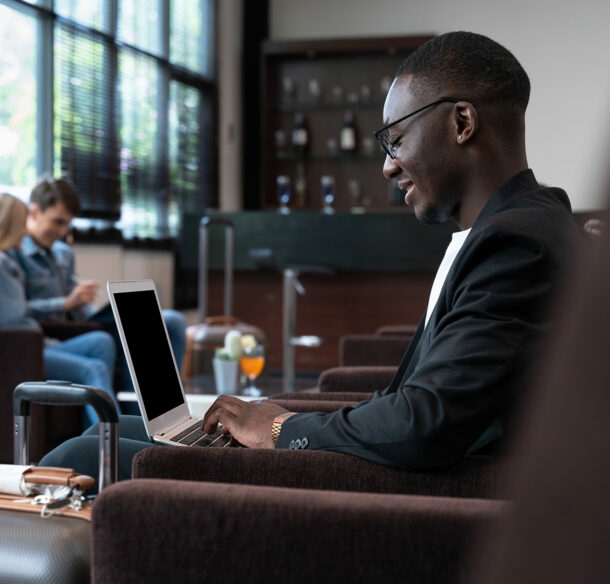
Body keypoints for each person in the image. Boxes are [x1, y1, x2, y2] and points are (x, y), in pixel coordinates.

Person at [39, 31, 582, 483]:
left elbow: (425, 425)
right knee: (104, 432)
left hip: (391, 497)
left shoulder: (515, 245)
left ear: (462, 123)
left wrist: (278, 431)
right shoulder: (512, 229)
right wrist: (285, 419)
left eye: (396, 139)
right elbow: (427, 401)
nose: (388, 168)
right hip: (392, 471)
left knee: (82, 457)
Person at [12, 176, 187, 395]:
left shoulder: (63, 254)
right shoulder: (15, 253)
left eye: (68, 223)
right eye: (57, 221)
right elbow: (18, 312)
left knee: (173, 321)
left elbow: (77, 307)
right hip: (57, 334)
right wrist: (66, 303)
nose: (63, 231)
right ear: (35, 212)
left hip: (82, 324)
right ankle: (133, 417)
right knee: (129, 333)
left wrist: (87, 303)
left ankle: (168, 406)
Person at [0, 193, 119, 428]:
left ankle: (92, 437)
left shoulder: (9, 261)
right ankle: (114, 442)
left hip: (38, 343)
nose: (25, 232)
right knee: (93, 367)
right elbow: (14, 319)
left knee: (101, 342)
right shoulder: (3, 264)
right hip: (24, 350)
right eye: (22, 225)